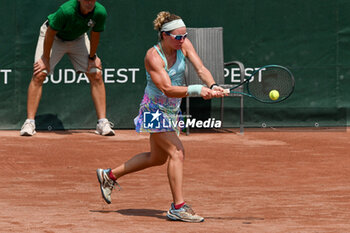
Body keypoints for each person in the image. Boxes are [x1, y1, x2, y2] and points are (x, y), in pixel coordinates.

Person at [96, 11, 226, 222]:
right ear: (164, 35)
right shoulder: (153, 56)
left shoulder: (184, 45)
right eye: (178, 36)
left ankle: (109, 176)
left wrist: (212, 85)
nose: (182, 40)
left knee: (157, 158)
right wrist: (198, 90)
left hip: (172, 111)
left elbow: (200, 68)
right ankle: (178, 207)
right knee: (177, 152)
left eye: (185, 35)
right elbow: (167, 88)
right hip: (153, 110)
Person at [20, 0, 115, 136]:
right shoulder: (66, 10)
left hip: (78, 39)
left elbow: (95, 34)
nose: (89, 3)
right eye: (86, 0)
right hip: (53, 38)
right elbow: (50, 33)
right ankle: (29, 122)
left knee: (96, 73)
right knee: (39, 73)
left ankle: (102, 122)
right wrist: (45, 58)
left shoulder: (100, 12)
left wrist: (92, 57)